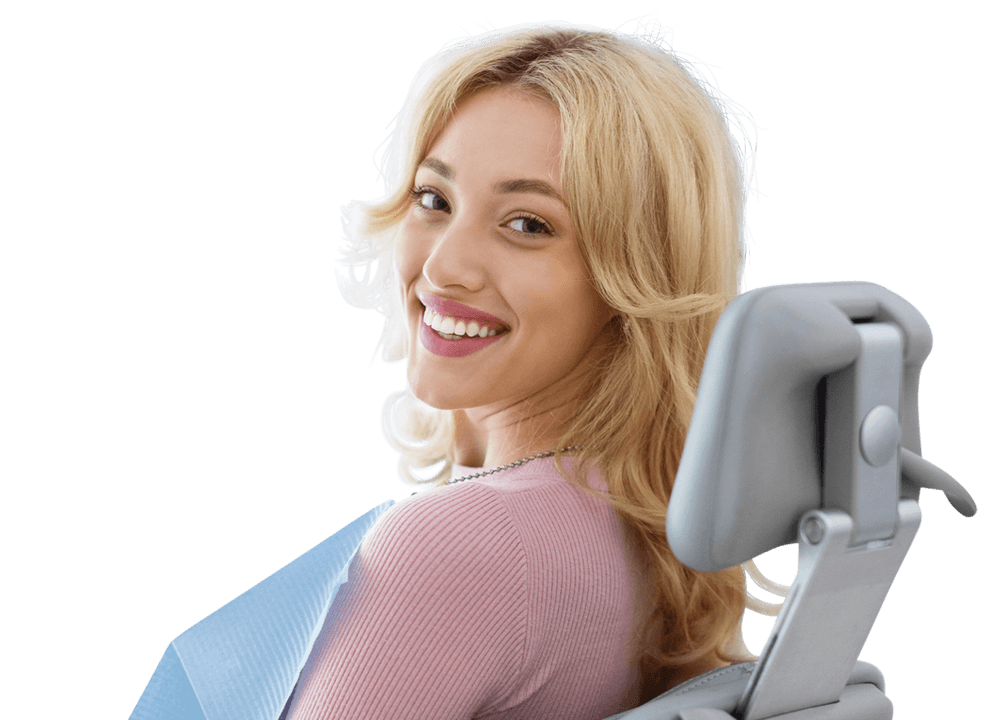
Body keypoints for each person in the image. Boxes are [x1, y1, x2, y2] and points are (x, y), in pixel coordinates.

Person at [290, 12, 775, 719]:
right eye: (434, 199)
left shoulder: (459, 548)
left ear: (632, 280)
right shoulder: (644, 524)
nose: (445, 266)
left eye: (528, 225)